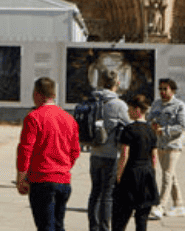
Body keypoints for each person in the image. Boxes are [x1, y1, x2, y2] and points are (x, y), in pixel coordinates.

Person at [16, 76, 81, 231]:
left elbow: (25, 149)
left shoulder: (34, 117)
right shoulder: (69, 118)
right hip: (63, 179)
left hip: (42, 178)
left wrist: (21, 177)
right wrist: (64, 166)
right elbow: (75, 150)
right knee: (58, 225)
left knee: (45, 226)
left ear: (37, 94)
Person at [88, 69, 131, 231]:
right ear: (117, 83)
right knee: (107, 195)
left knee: (95, 193)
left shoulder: (93, 100)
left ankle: (93, 227)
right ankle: (105, 228)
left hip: (94, 153)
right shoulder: (119, 105)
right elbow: (130, 126)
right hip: (111, 155)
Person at [112, 94, 158, 231]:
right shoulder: (151, 131)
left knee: (121, 215)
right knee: (142, 218)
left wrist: (118, 175)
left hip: (130, 174)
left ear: (137, 110)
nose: (127, 112)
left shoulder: (129, 130)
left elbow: (124, 155)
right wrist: (152, 172)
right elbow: (154, 156)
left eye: (130, 109)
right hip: (147, 173)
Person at [147, 78, 185, 220]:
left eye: (165, 89)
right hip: (160, 145)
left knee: (166, 176)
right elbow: (149, 118)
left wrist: (164, 130)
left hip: (173, 146)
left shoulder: (179, 105)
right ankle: (179, 205)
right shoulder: (156, 104)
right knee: (171, 175)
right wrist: (152, 124)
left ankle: (160, 206)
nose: (162, 92)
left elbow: (183, 126)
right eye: (160, 89)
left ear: (172, 90)